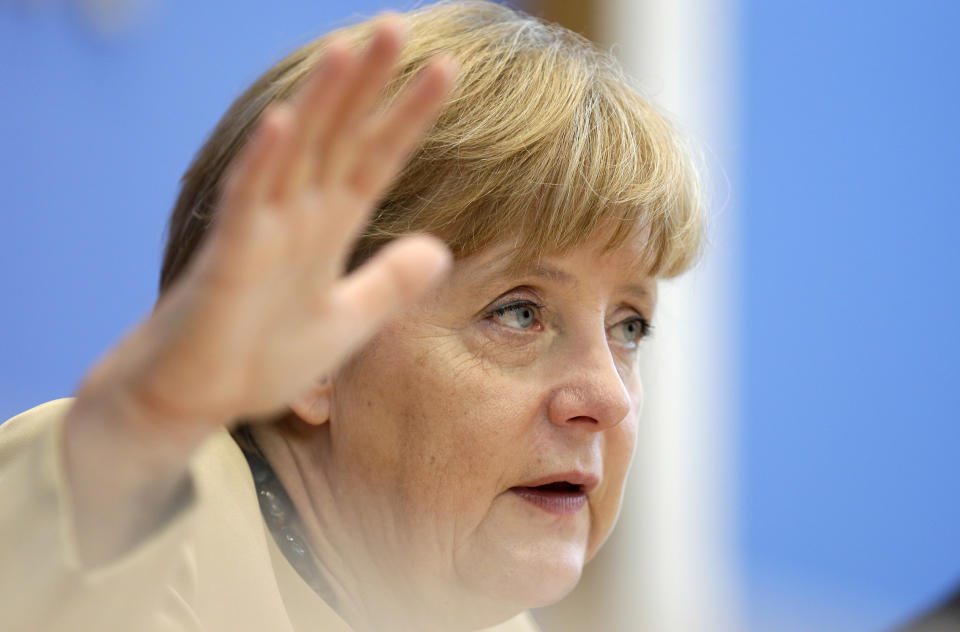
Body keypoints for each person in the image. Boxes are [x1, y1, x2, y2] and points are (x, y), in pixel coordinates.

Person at [0, 1, 702, 630]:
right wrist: (140, 427)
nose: (608, 398)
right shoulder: (126, 523)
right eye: (519, 313)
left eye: (629, 325)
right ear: (312, 354)